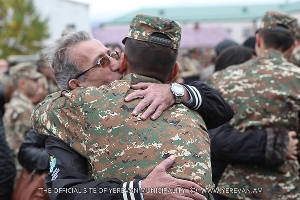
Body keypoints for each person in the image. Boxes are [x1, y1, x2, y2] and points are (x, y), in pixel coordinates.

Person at [32, 14, 218, 199]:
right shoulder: (67, 121)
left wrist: (174, 91)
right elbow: (67, 191)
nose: (116, 63)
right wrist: (135, 191)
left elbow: (222, 109)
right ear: (76, 85)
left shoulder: (163, 95)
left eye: (112, 54)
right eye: (102, 62)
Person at [207, 11, 300, 199]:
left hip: (233, 190)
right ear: (294, 45)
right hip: (285, 189)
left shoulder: (221, 78)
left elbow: (208, 136)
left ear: (258, 40)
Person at [3, 62, 44, 183]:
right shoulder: (23, 109)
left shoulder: (18, 103)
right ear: (22, 84)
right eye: (34, 81)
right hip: (23, 170)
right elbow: (25, 145)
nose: (38, 84)